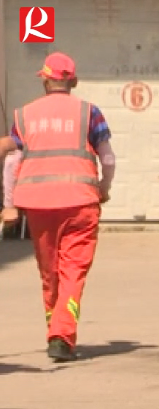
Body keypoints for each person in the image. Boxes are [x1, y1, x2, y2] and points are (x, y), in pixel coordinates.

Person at [0, 52, 117, 362]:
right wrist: (104, 187)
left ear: (45, 81)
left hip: (38, 205)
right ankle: (61, 336)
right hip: (81, 202)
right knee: (73, 271)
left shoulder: (25, 115)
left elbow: (12, 161)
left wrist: (9, 204)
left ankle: (56, 329)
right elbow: (108, 158)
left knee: (49, 272)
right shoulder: (89, 113)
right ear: (73, 82)